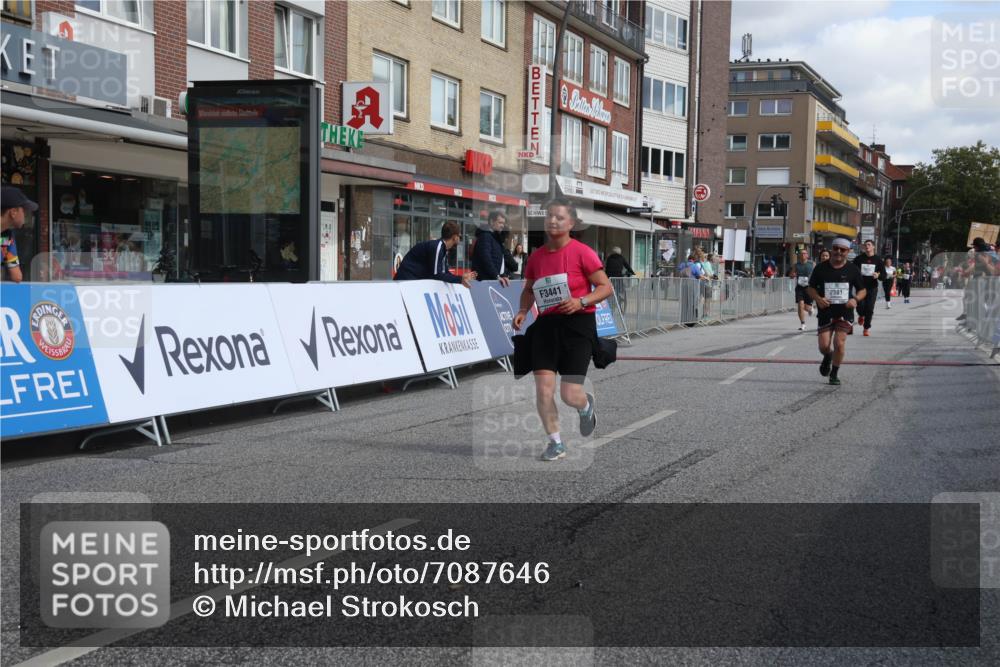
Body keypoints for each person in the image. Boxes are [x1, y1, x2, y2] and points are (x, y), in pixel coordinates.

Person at [512, 199, 613, 462]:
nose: (552, 221)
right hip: (546, 326)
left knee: (569, 394)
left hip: (577, 324)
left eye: (559, 217)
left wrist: (580, 301)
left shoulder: (583, 253)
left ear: (571, 223)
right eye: (549, 217)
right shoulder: (536, 256)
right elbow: (529, 289)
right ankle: (555, 443)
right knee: (543, 390)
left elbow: (605, 288)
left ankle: (585, 405)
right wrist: (523, 311)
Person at [807, 237, 867, 385]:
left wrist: (855, 299)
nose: (838, 252)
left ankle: (834, 373)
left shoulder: (853, 269)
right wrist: (818, 299)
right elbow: (810, 288)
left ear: (848, 252)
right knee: (824, 346)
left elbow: (863, 290)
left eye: (843, 250)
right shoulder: (820, 268)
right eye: (836, 249)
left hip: (844, 312)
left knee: (839, 343)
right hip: (825, 312)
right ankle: (828, 356)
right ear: (831, 249)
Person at [393, 220, 476, 287]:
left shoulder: (442, 248)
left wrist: (461, 278)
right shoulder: (438, 247)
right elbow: (437, 274)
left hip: (410, 281)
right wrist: (460, 279)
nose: (460, 239)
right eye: (459, 236)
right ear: (454, 237)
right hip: (405, 281)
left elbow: (445, 272)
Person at [1, 185, 37, 283]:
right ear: (13, 212)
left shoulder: (6, 236)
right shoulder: (5, 237)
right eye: (24, 210)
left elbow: (17, 276)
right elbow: (16, 276)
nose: (27, 215)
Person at [470, 210, 510, 287]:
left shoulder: (495, 238)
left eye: (503, 223)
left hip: (492, 281)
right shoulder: (485, 236)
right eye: (500, 222)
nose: (502, 225)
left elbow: (499, 260)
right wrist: (497, 276)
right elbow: (486, 258)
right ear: (491, 222)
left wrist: (503, 275)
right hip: (484, 283)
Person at [852, 239, 881, 336]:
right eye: (865, 245)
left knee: (869, 308)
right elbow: (852, 271)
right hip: (861, 287)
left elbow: (883, 274)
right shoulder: (858, 259)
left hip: (872, 287)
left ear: (873, 247)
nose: (867, 246)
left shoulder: (878, 260)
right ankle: (861, 315)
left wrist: (878, 275)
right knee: (860, 306)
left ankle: (866, 328)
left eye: (869, 245)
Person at [791, 248, 816, 331]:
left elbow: (817, 274)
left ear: (807, 255)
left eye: (804, 253)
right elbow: (791, 275)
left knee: (806, 307)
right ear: (799, 255)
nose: (803, 255)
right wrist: (793, 275)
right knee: (800, 305)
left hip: (809, 288)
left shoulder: (812, 264)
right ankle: (803, 324)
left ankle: (810, 308)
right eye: (801, 254)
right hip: (799, 287)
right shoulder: (796, 265)